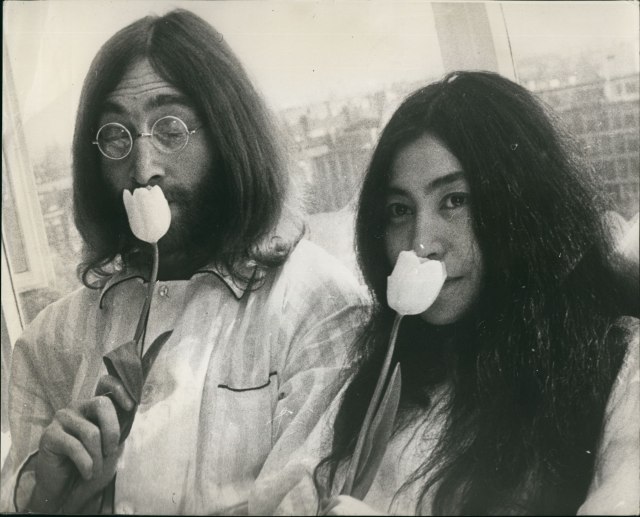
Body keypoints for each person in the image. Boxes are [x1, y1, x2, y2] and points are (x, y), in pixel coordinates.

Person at [0, 9, 368, 514]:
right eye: (116, 135)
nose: (143, 169)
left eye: (170, 129)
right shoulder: (52, 341)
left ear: (228, 135)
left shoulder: (318, 308)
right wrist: (46, 496)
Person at [289, 71, 637, 515]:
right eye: (400, 210)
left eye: (454, 200)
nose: (420, 245)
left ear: (525, 205)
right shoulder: (382, 371)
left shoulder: (621, 367)